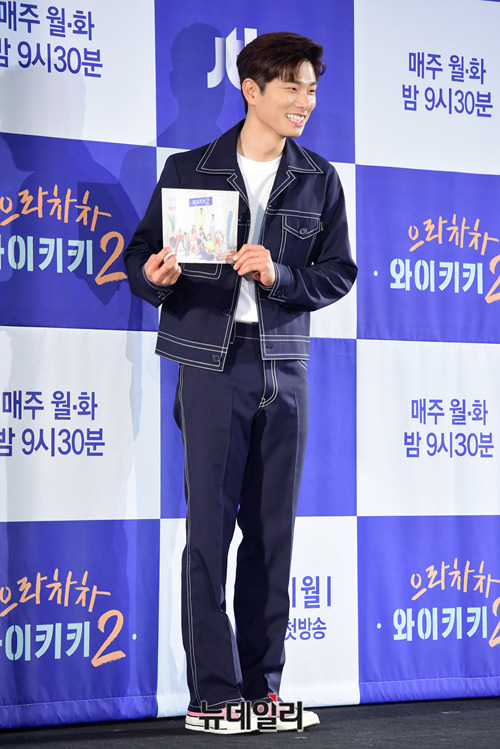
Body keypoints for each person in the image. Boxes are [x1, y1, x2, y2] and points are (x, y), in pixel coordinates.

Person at [124, 31, 357, 734]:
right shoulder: (188, 168)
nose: (305, 101)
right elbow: (141, 259)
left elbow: (338, 273)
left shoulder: (318, 177)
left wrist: (279, 273)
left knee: (272, 534)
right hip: (209, 364)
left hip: (285, 363)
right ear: (251, 90)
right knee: (209, 533)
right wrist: (154, 277)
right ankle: (213, 693)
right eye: (291, 87)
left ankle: (263, 690)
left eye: (311, 89)